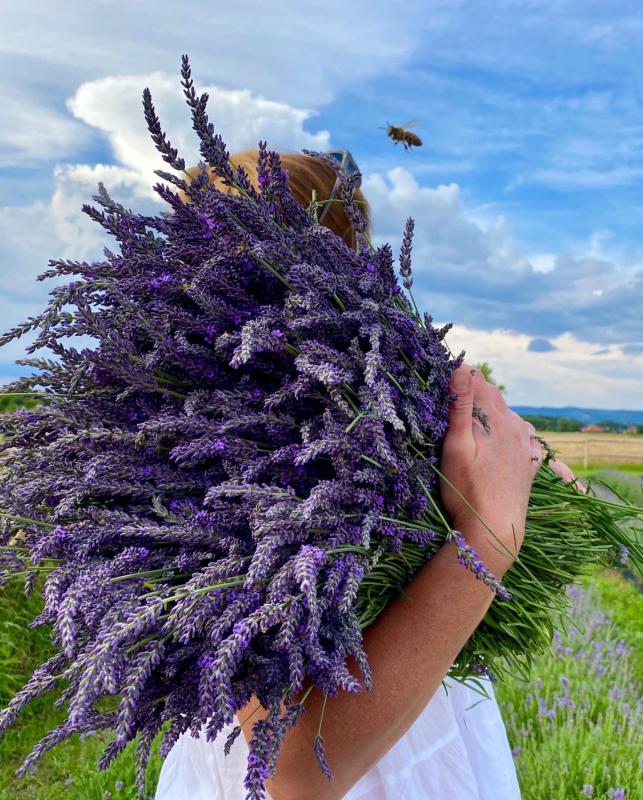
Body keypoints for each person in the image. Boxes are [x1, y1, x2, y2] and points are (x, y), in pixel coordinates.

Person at [156, 149, 571, 800]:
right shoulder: (204, 448)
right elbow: (293, 771)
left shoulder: (378, 391)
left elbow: (513, 472)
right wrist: (489, 536)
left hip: (424, 730)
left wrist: (524, 478)